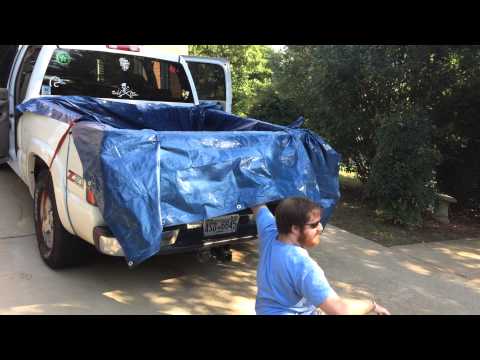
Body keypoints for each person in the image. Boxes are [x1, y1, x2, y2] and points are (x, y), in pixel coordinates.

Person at [251, 197, 390, 315]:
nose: (320, 228)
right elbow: (341, 310)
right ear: (294, 228)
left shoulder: (269, 234)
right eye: (314, 225)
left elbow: (256, 203)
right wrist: (372, 305)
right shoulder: (304, 266)